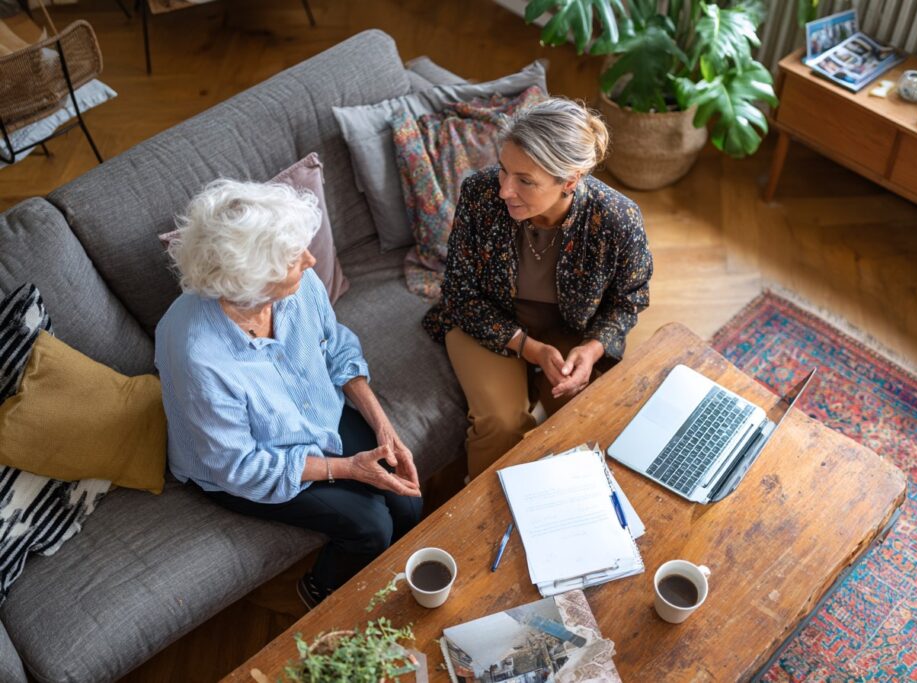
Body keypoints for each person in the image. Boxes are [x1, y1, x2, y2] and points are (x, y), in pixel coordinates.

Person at [155, 179, 422, 609]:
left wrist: (383, 425)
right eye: (294, 257)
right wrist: (349, 468)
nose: (311, 259)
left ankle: (390, 575)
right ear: (254, 281)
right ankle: (320, 590)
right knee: (372, 525)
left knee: (408, 501)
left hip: (317, 413)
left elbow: (335, 347)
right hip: (248, 461)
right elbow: (239, 466)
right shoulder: (198, 355)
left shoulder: (301, 287)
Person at [423, 97, 654, 479]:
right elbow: (460, 293)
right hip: (487, 323)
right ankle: (478, 517)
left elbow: (630, 299)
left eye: (525, 181)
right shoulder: (479, 195)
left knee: (587, 417)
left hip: (568, 328)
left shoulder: (618, 218)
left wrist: (593, 348)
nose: (504, 191)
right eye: (503, 171)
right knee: (501, 423)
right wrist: (529, 349)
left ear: (571, 180)